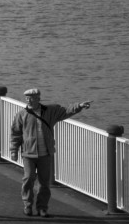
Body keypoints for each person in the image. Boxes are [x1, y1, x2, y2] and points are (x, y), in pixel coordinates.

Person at [9, 87, 91, 217]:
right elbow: (15, 134)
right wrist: (13, 151)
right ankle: (27, 205)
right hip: (28, 154)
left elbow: (66, 111)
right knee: (28, 178)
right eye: (27, 99)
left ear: (38, 99)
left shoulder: (50, 111)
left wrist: (79, 106)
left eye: (31, 98)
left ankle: (42, 208)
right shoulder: (21, 115)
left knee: (44, 182)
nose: (28, 101)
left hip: (45, 153)